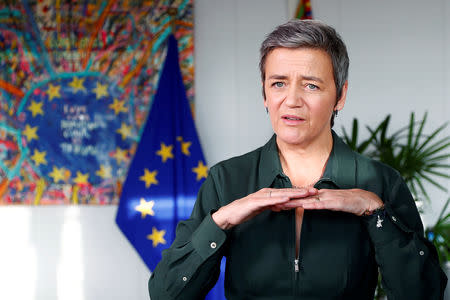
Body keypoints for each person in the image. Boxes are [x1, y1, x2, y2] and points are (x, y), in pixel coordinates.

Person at [148, 19, 447, 299]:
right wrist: (222, 220)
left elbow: (424, 293)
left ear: (340, 96)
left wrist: (375, 211)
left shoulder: (381, 181)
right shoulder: (226, 179)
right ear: (264, 94)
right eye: (278, 83)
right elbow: (166, 293)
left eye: (311, 85)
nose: (291, 100)